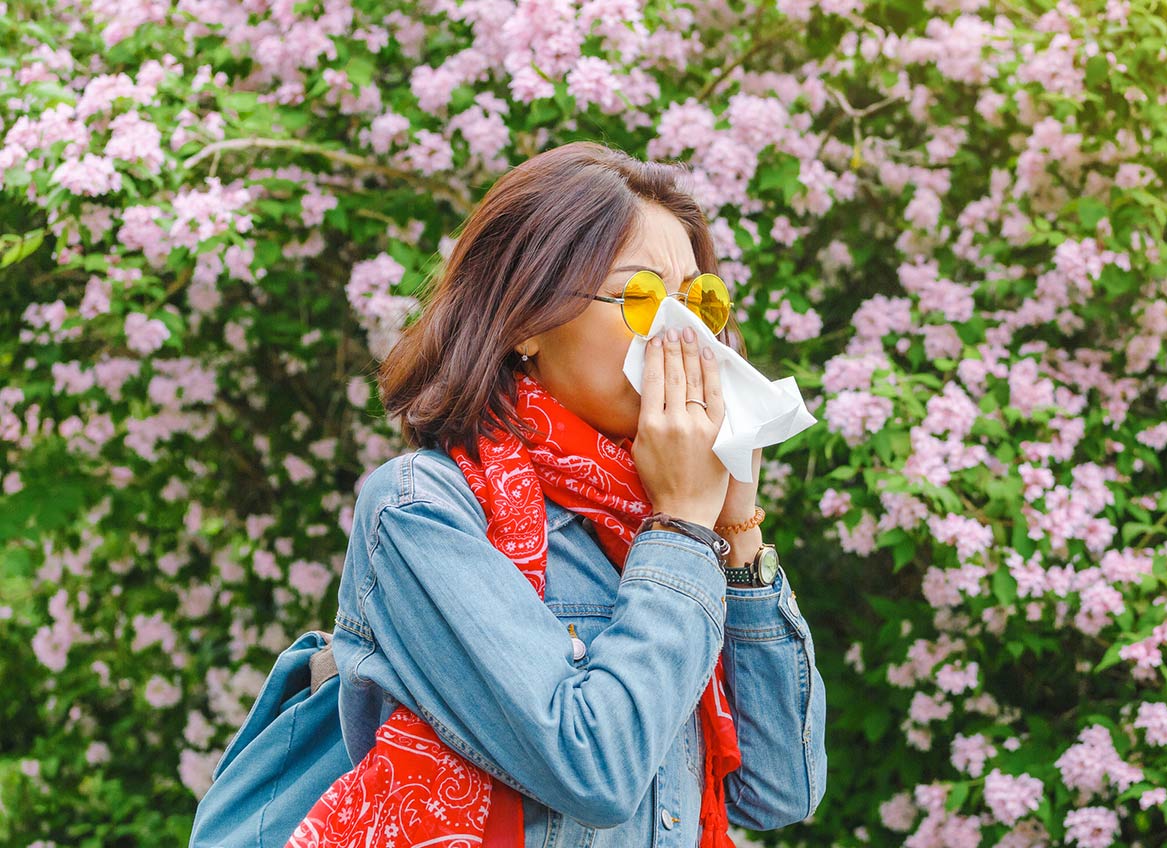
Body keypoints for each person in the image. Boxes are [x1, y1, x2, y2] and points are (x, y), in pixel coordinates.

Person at [287, 141, 827, 848]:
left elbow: (780, 788)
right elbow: (592, 767)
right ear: (526, 323)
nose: (685, 331)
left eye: (699, 299)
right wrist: (686, 528)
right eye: (640, 297)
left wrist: (735, 526)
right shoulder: (424, 511)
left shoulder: (662, 526)